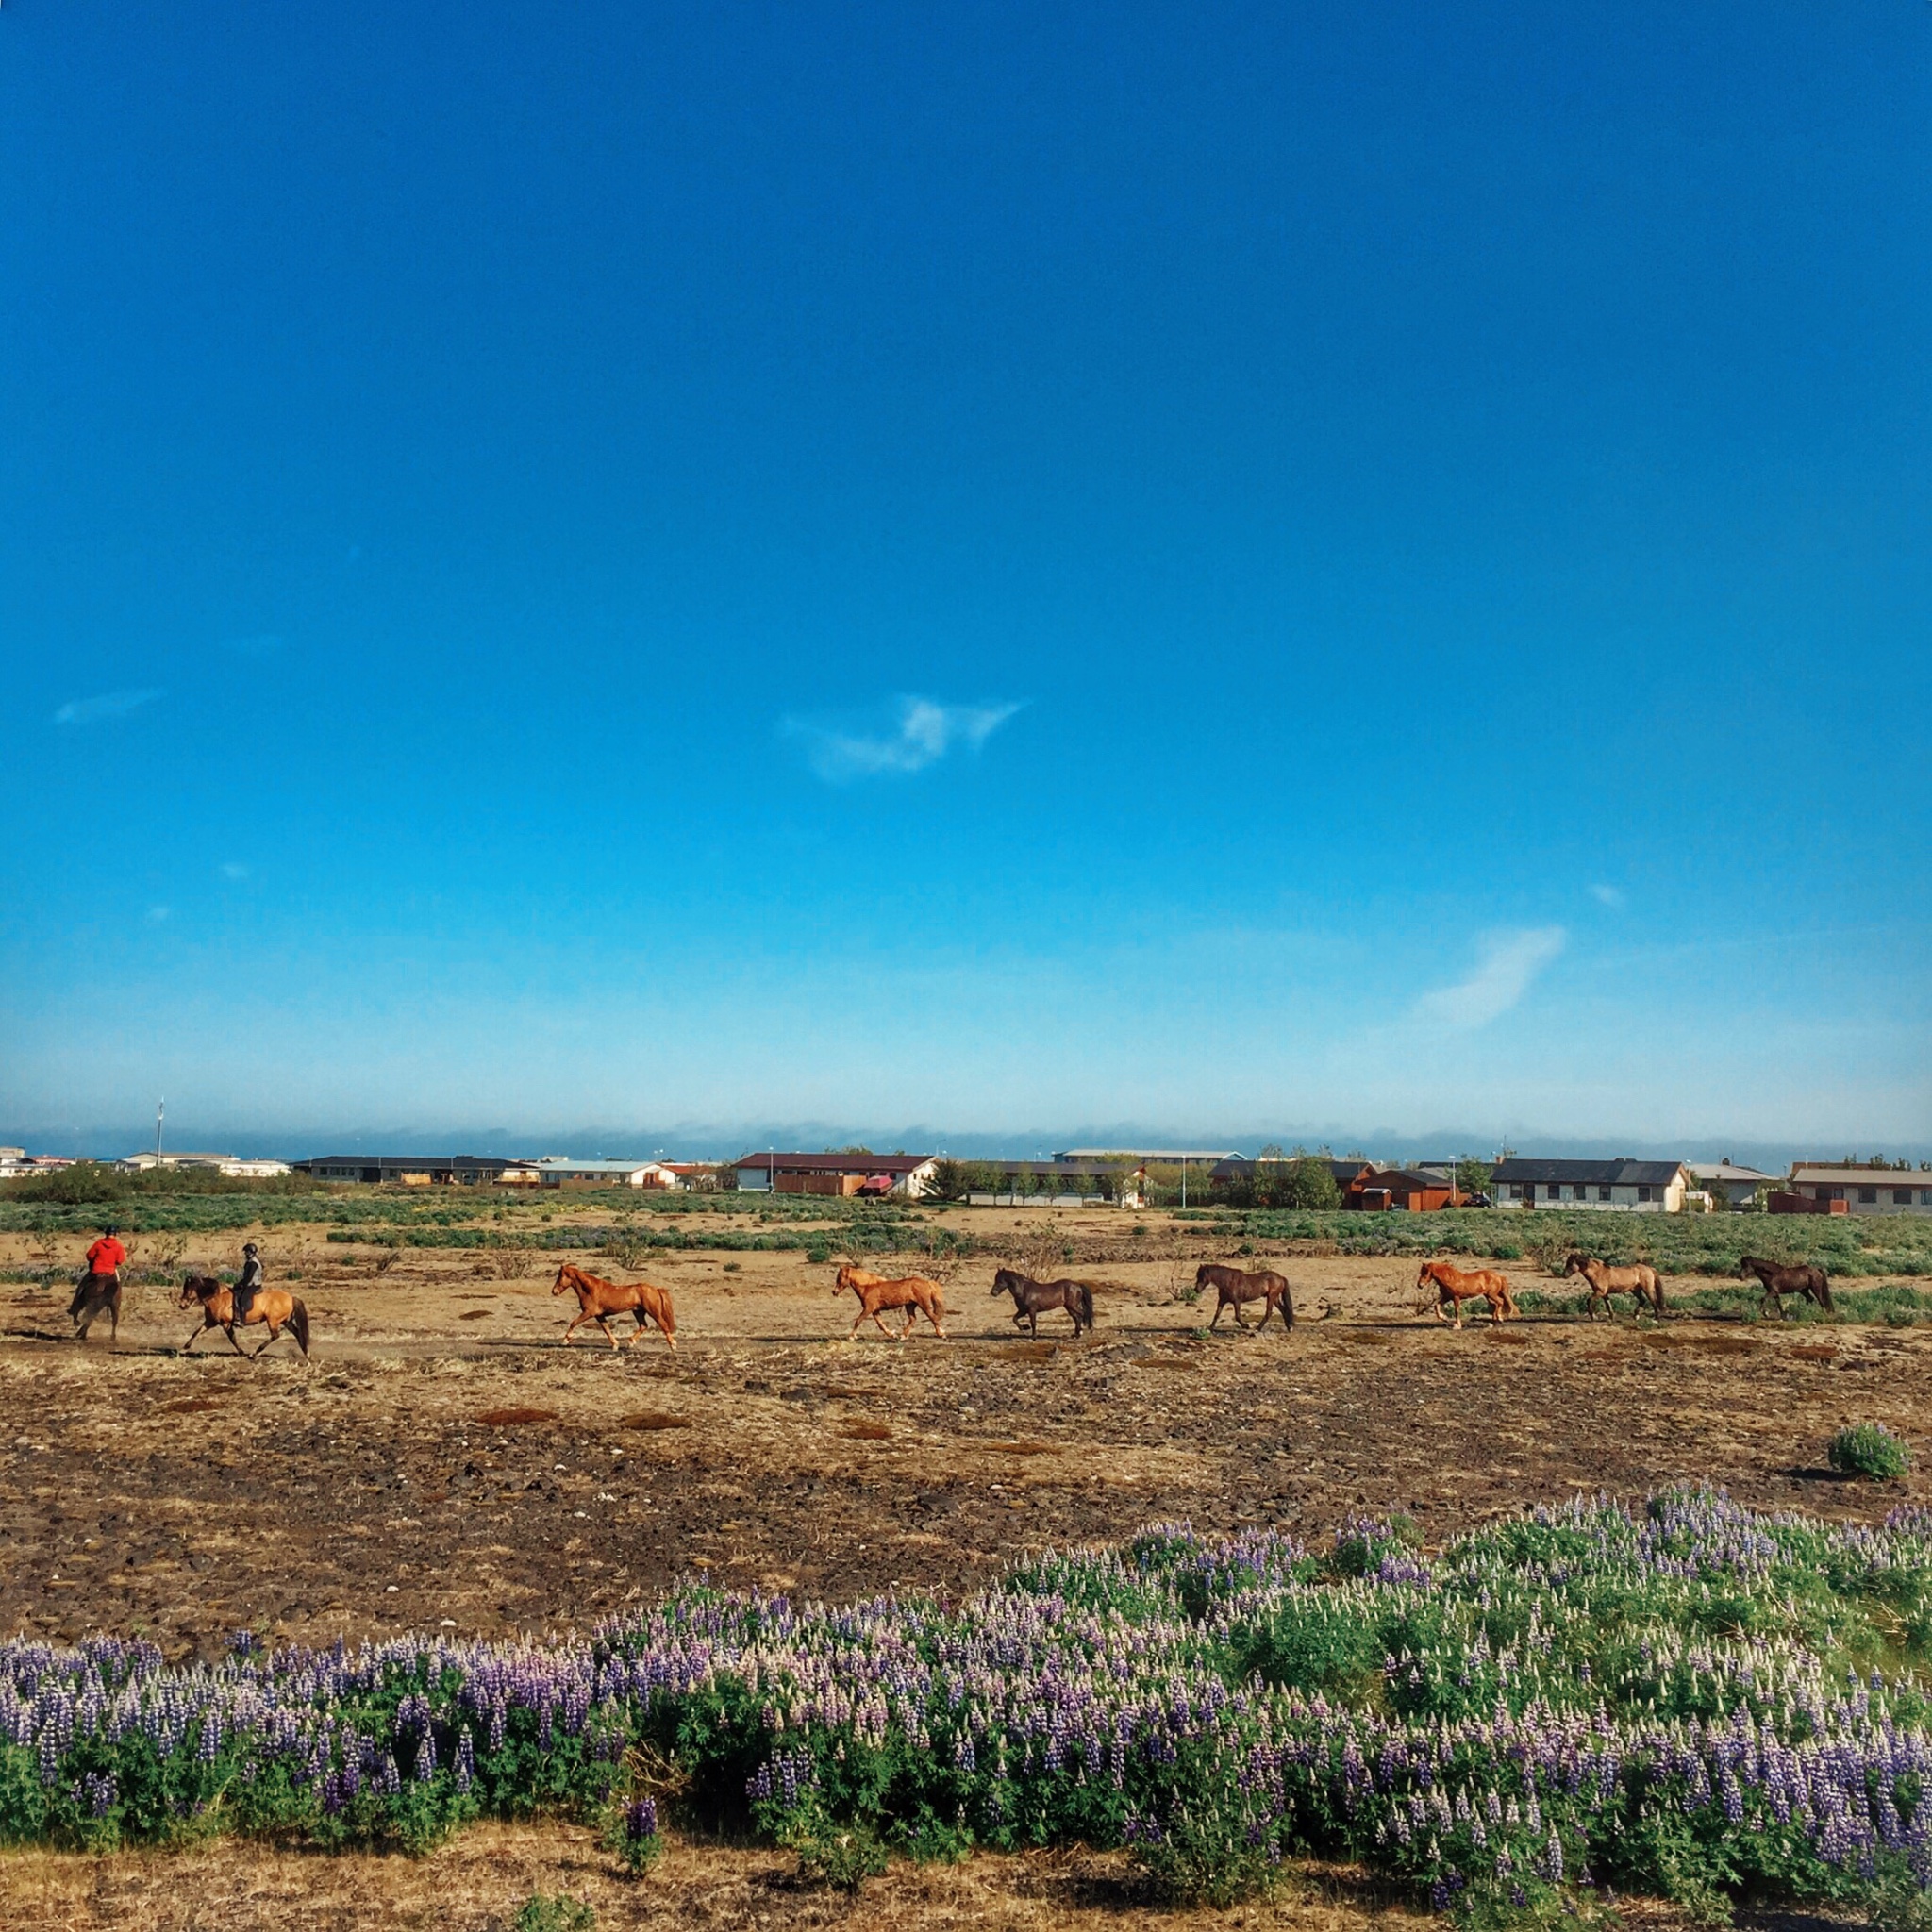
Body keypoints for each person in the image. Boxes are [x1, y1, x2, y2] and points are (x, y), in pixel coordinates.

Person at [70, 1225, 126, 1333]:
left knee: (81, 1286)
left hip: (96, 1271)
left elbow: (89, 1256)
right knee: (118, 1285)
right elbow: (120, 1260)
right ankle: (114, 1327)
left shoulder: (99, 1243)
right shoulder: (118, 1246)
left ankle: (75, 1307)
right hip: (110, 1272)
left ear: (106, 1233)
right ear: (115, 1234)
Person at [234, 1241, 265, 1322]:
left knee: (243, 1298)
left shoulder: (253, 1263)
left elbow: (249, 1277)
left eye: (246, 1252)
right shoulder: (251, 1262)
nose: (245, 1254)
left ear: (251, 1252)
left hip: (254, 1284)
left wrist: (241, 1284)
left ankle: (242, 1319)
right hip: (250, 1283)